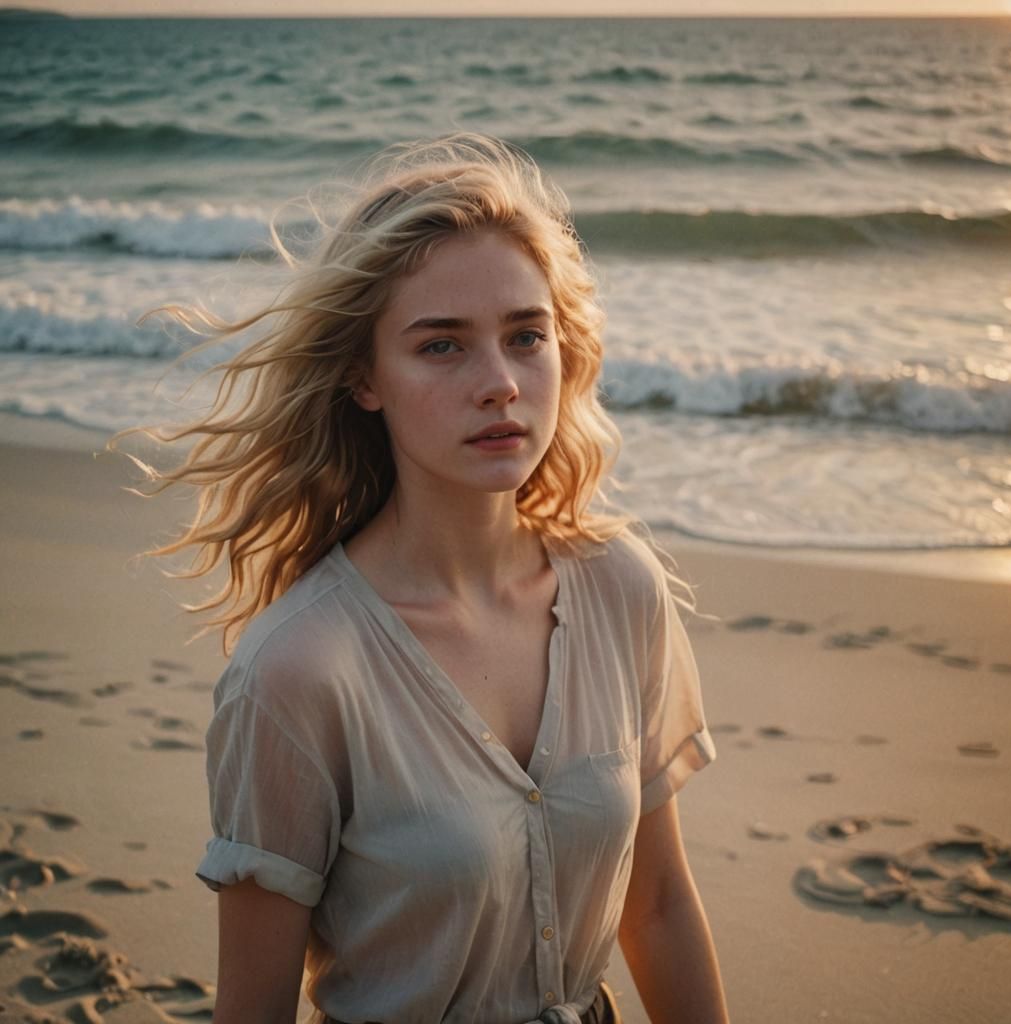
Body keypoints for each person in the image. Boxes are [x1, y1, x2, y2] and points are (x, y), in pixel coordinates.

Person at [112, 133, 729, 1024]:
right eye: (443, 347)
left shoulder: (619, 587)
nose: (501, 384)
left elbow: (660, 904)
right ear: (364, 377)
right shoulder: (299, 670)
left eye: (527, 336)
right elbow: (253, 1008)